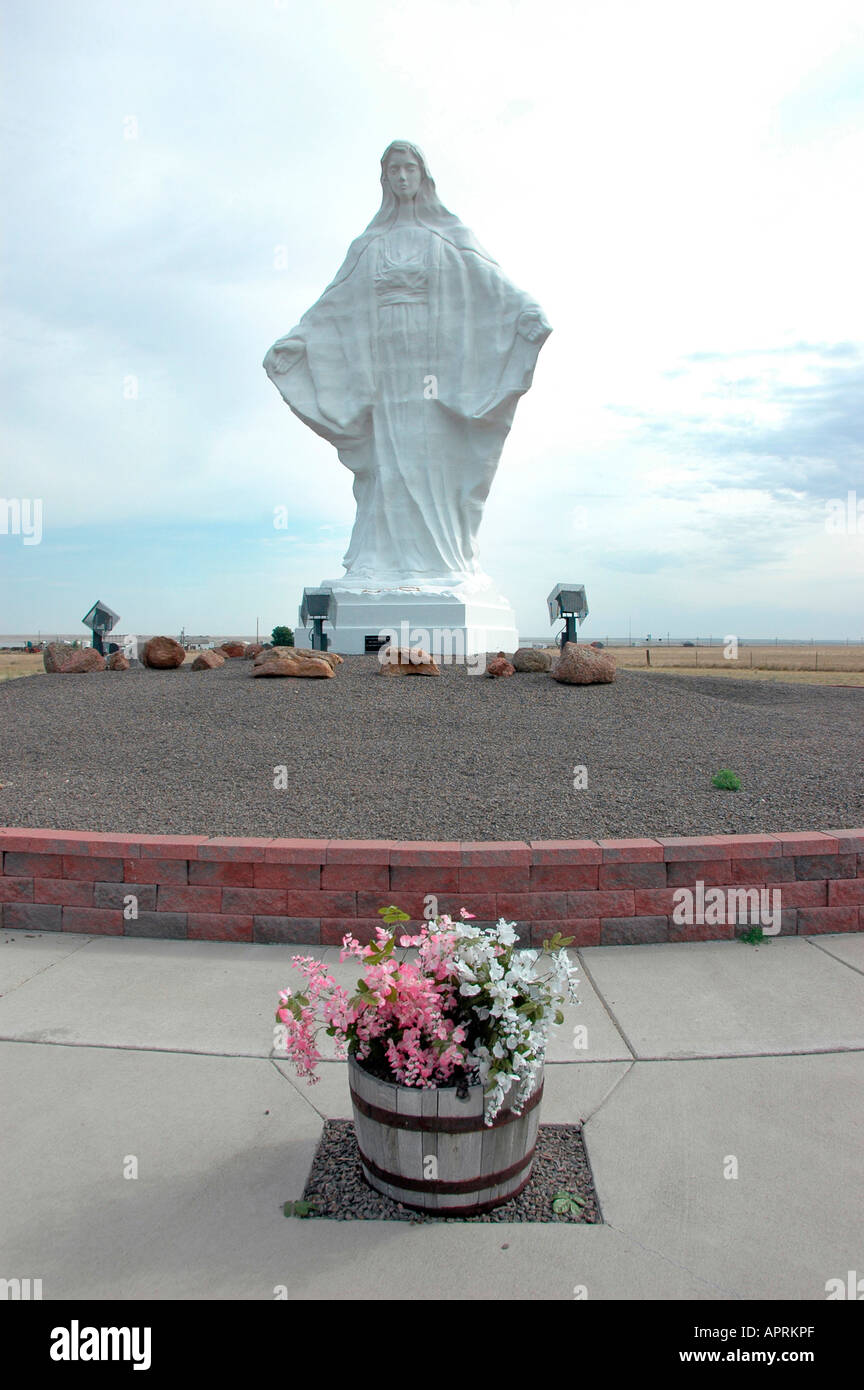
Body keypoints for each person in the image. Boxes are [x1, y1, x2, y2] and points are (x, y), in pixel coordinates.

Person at [263, 141, 551, 584]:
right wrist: (299, 341)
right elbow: (335, 305)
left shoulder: (450, 236)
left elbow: (491, 287)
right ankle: (383, 560)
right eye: (393, 169)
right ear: (384, 179)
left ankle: (443, 558)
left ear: (422, 175)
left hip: (434, 365)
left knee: (433, 450)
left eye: (408, 168)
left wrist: (525, 313)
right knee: (388, 460)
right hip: (384, 369)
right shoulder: (369, 245)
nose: (401, 177)